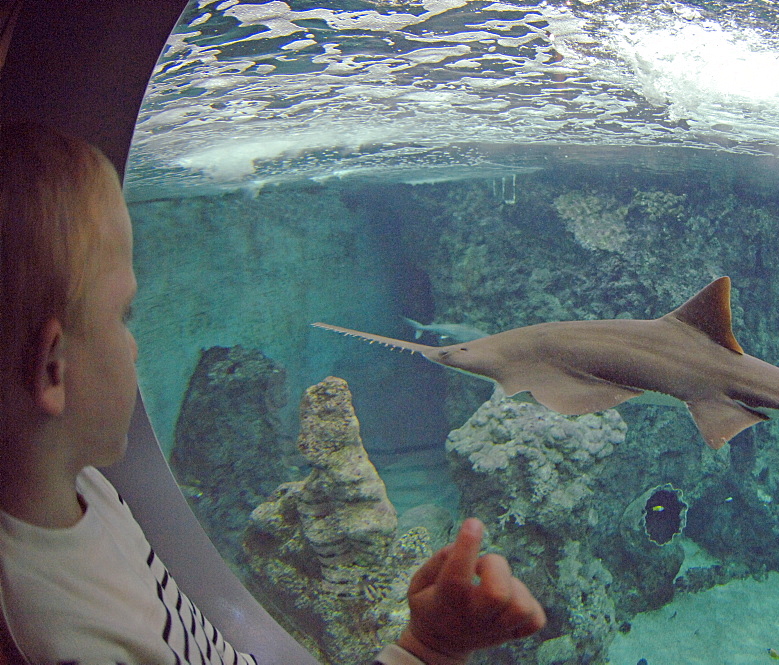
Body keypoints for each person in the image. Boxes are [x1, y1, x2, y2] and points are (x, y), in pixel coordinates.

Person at [0, 122, 546, 665]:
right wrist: (431, 649)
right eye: (125, 316)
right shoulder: (67, 643)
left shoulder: (88, 493)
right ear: (54, 367)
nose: (136, 347)